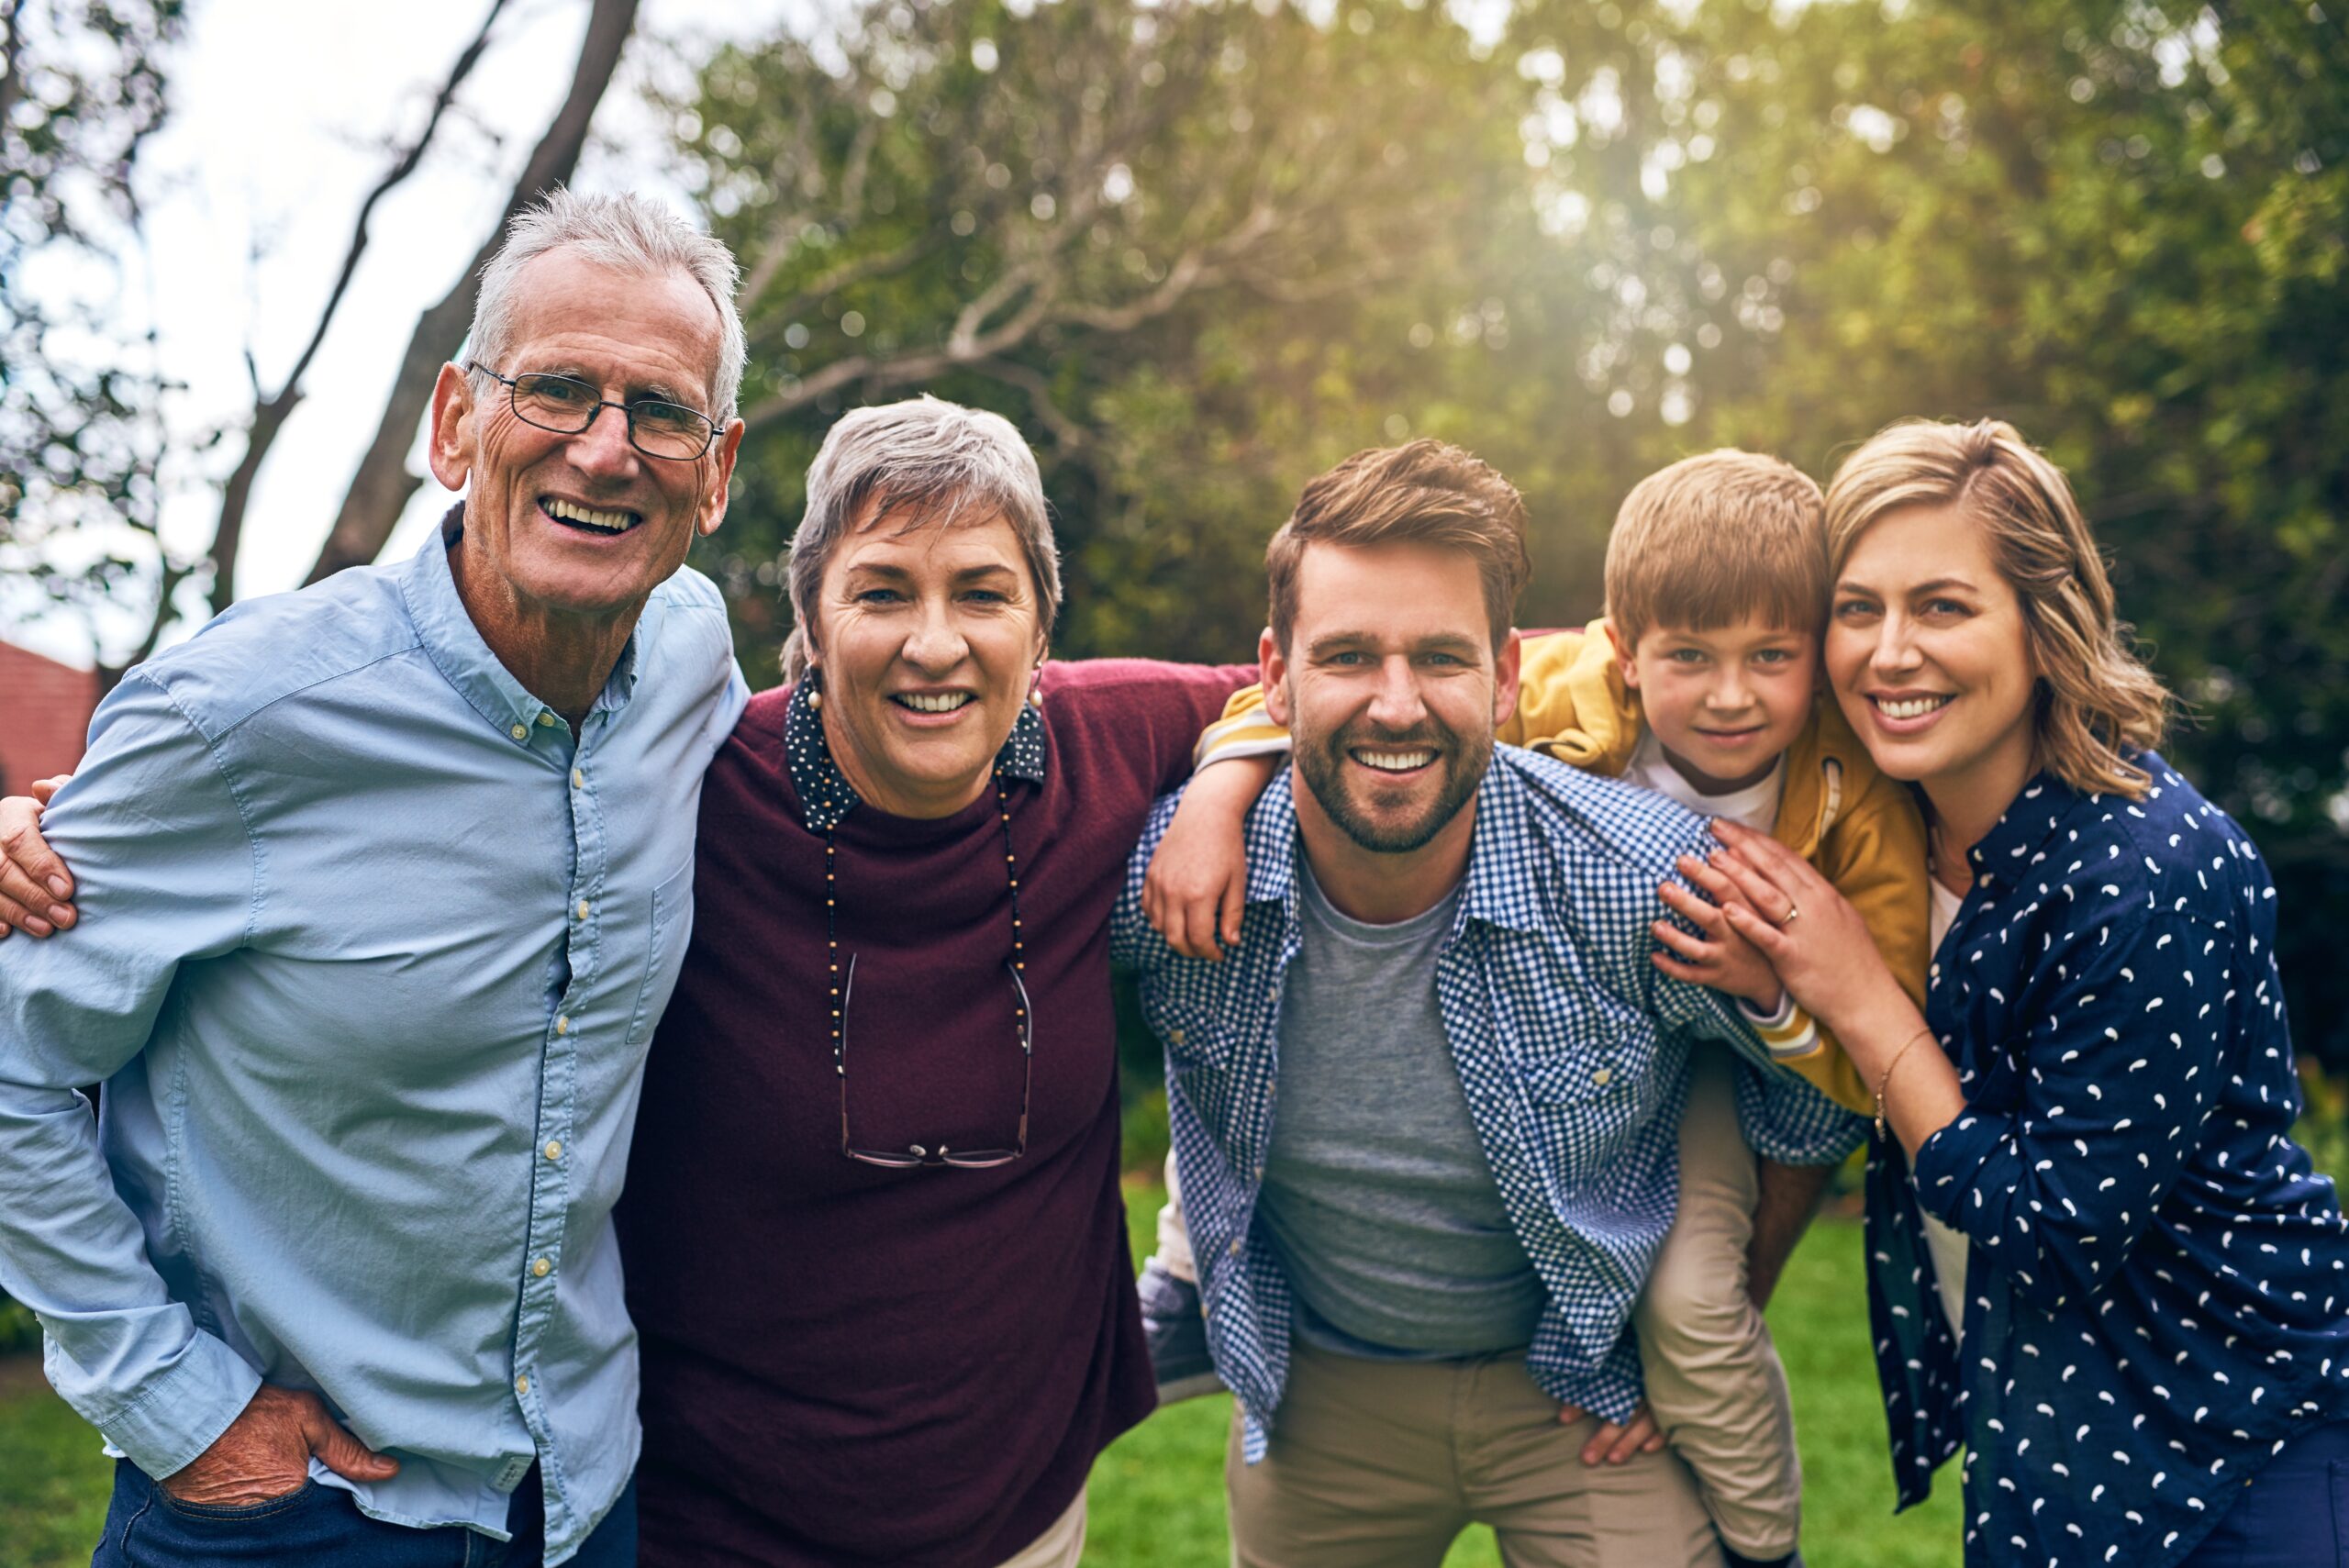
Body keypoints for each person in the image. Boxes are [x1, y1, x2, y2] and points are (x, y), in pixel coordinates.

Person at [0, 188, 750, 1565]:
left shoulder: (696, 662)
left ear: (716, 467)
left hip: (580, 1502)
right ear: (456, 420)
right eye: (561, 389)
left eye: (661, 410)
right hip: (287, 1519)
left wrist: (1244, 736)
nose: (607, 447)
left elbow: (922, 715)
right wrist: (173, 1403)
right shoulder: (237, 720)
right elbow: (9, 1054)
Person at [1141, 449, 1929, 1566]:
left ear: (1500, 674)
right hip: (1325, 1388)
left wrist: (1775, 1003)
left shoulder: (1787, 828)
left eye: (1771, 656)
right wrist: (1220, 788)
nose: (1730, 692)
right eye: (1690, 656)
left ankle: (1764, 1541)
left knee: (1696, 1303)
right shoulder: (1188, 874)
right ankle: (1181, 1286)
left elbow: (1838, 1075)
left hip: (1604, 1330)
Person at [607, 395, 1273, 1568]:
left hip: (1019, 1514)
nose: (933, 642)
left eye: (981, 591)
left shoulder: (1098, 740)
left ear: (1040, 622)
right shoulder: (690, 793)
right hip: (717, 1518)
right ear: (812, 614)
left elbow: (1334, 674)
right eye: (881, 591)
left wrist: (1222, 779)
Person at [1691, 418, 2349, 1567]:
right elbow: (1604, 646)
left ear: (2043, 629)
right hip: (2048, 1443)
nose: (1890, 652)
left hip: (2241, 1438)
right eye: (1858, 609)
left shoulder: (2148, 871)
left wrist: (1857, 996)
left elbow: (2050, 1224)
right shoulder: (1886, 825)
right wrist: (1256, 750)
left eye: (1942, 606)